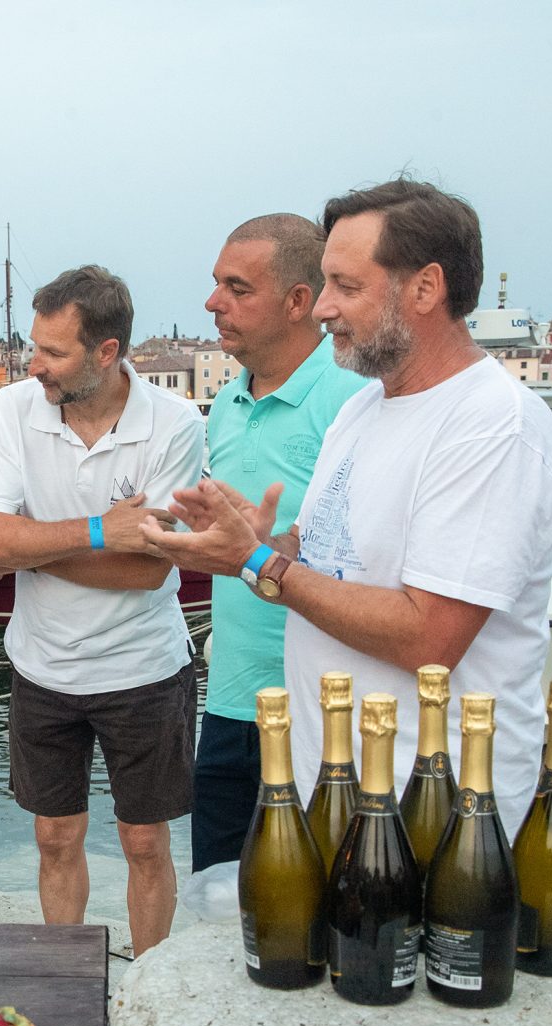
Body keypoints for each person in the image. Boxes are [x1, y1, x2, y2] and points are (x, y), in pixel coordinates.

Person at [144, 179, 552, 829]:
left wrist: (259, 561)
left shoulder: (491, 426)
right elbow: (336, 568)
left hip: (431, 811)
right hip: (336, 789)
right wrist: (256, 541)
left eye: (345, 286)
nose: (323, 309)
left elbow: (429, 635)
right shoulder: (365, 409)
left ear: (425, 289)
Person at [0, 266, 204, 963]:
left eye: (54, 352)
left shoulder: (175, 424)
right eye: (34, 347)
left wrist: (32, 547)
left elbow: (150, 569)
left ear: (107, 352)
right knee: (55, 837)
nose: (34, 365)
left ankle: (149, 984)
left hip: (144, 665)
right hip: (43, 663)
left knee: (145, 842)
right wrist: (100, 530)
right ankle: (66, 973)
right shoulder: (15, 409)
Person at [190, 217, 368, 873]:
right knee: (218, 910)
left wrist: (265, 550)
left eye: (237, 288)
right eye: (215, 285)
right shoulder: (227, 403)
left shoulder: (354, 399)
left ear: (300, 301)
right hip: (230, 704)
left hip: (321, 720)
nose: (214, 303)